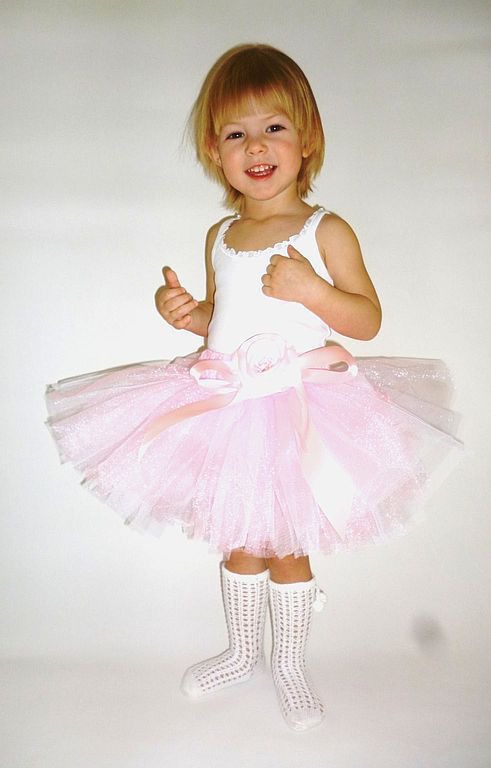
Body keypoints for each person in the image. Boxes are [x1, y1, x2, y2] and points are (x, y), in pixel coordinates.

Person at [46, 44, 462, 732]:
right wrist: (189, 315)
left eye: (273, 127)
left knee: (287, 546)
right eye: (236, 134)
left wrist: (313, 289)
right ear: (215, 152)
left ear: (307, 139)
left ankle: (289, 664)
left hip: (300, 412)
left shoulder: (325, 229)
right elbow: (224, 321)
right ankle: (242, 653)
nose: (256, 146)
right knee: (239, 539)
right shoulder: (221, 234)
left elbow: (365, 319)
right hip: (230, 410)